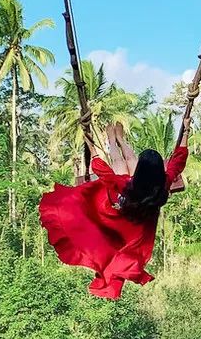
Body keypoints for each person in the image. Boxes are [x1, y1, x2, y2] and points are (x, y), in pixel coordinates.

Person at [39, 120, 189, 299]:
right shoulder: (163, 185)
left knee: (121, 163)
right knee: (127, 163)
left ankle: (113, 140)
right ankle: (119, 139)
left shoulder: (125, 185)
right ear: (159, 173)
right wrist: (186, 130)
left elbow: (104, 173)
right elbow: (178, 161)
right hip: (139, 222)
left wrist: (92, 148)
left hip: (123, 216)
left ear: (140, 173)